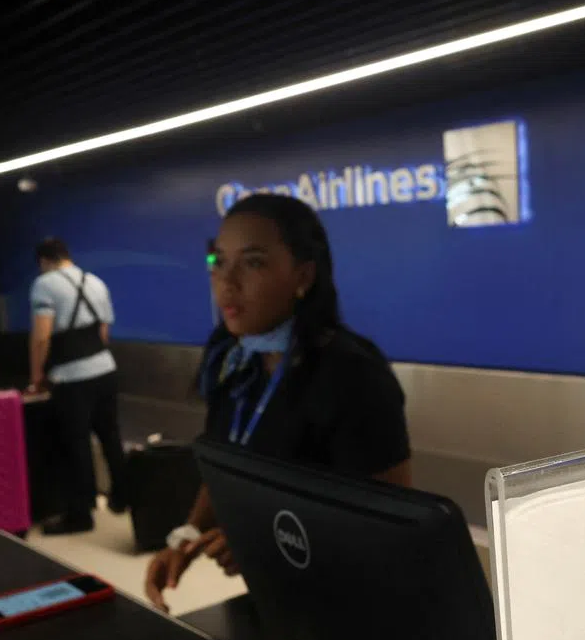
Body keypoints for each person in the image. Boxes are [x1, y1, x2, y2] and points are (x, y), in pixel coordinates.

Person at [145, 194, 412, 612]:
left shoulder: (353, 374)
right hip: (277, 596)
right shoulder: (230, 358)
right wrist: (187, 535)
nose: (227, 282)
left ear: (303, 276)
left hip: (356, 606)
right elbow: (224, 459)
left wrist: (266, 537)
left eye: (253, 262)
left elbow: (390, 524)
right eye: (218, 261)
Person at [29, 238, 128, 534]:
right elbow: (103, 332)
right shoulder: (96, 282)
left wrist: (37, 375)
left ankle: (80, 515)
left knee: (76, 443)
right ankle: (123, 497)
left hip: (72, 378)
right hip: (106, 369)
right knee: (111, 436)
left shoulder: (44, 284)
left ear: (44, 261)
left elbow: (42, 336)